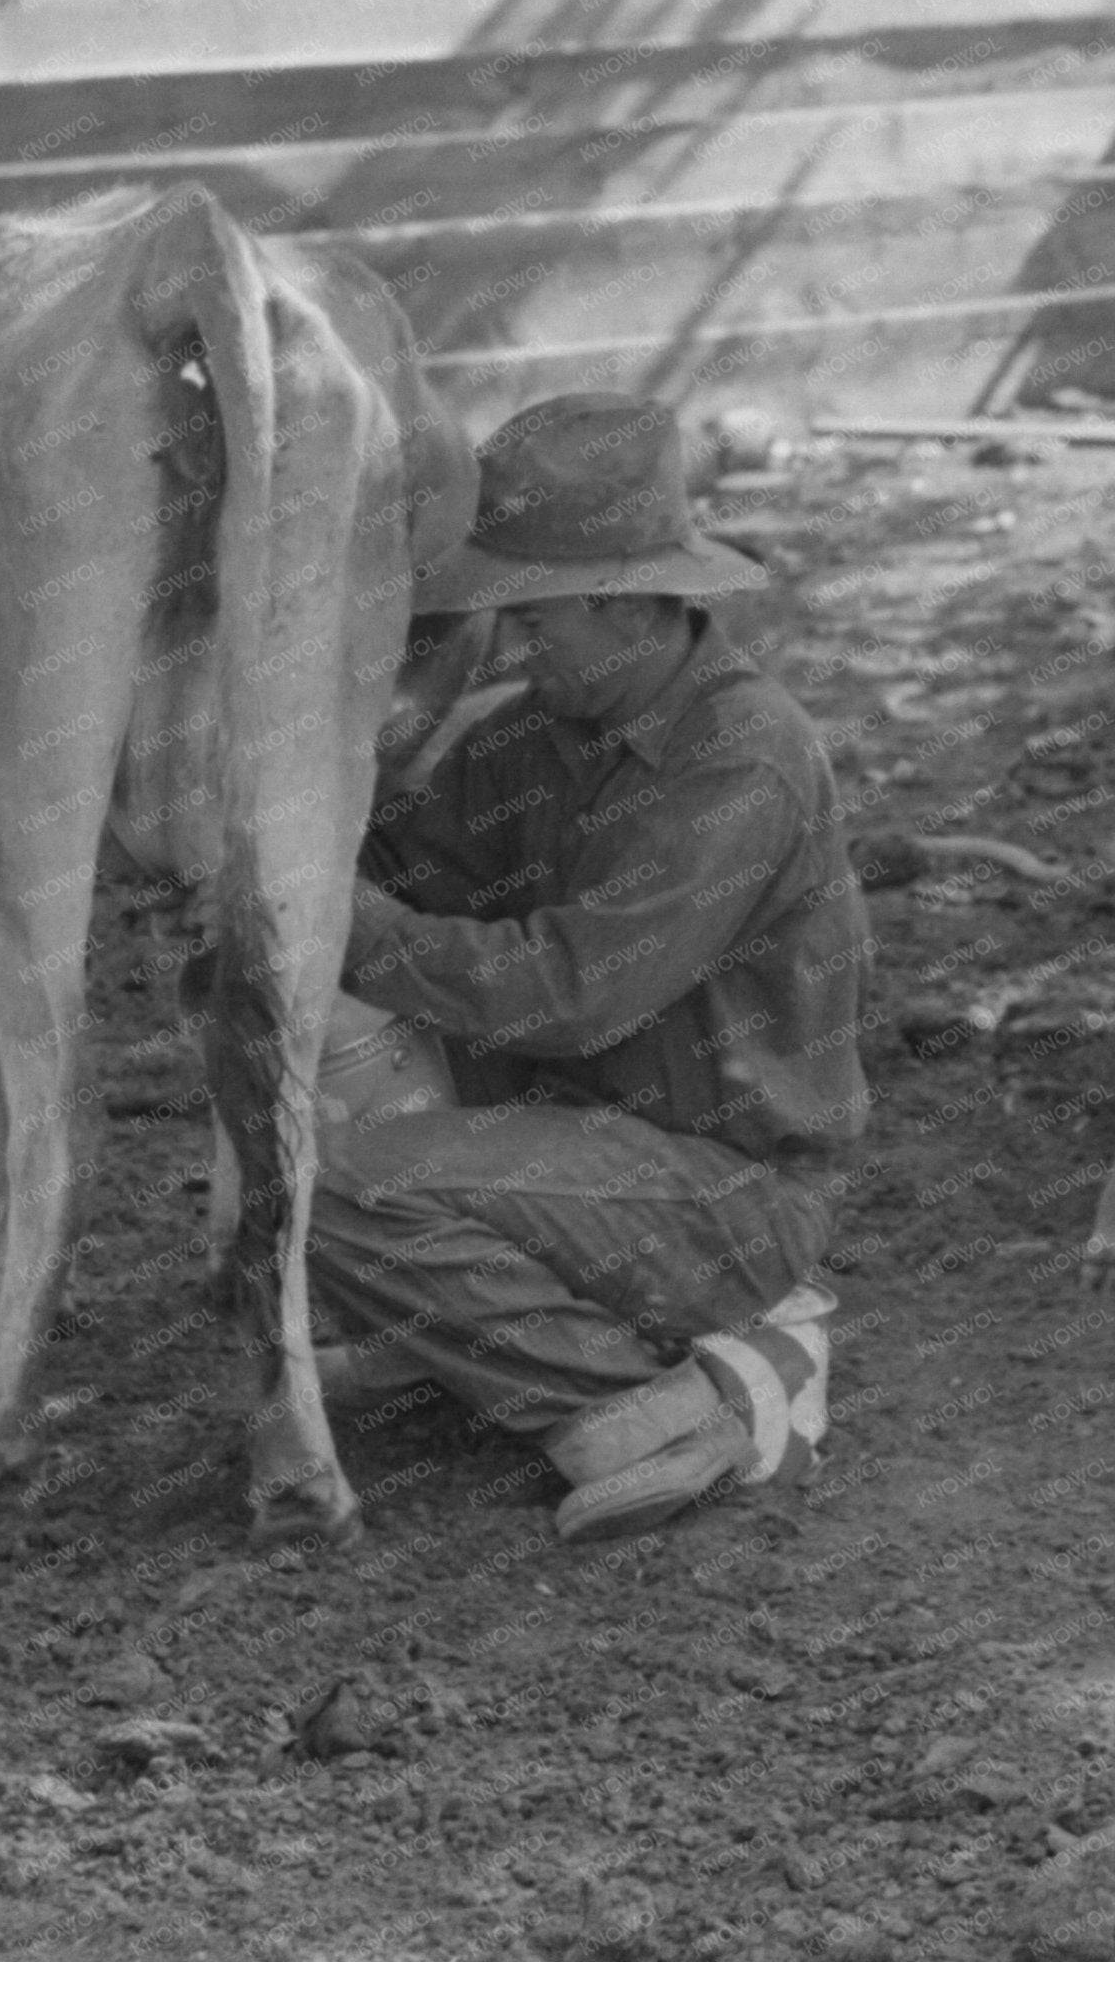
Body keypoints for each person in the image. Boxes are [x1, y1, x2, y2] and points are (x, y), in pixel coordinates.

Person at [302, 393, 872, 1544]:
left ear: (622, 601)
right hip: (598, 1141)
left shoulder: (739, 759)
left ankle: (659, 1400)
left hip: (728, 1185)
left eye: (532, 614)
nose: (508, 644)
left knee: (349, 1190)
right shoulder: (545, 730)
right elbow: (419, 864)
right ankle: (543, 1335)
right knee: (337, 1176)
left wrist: (334, 919)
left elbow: (566, 992)